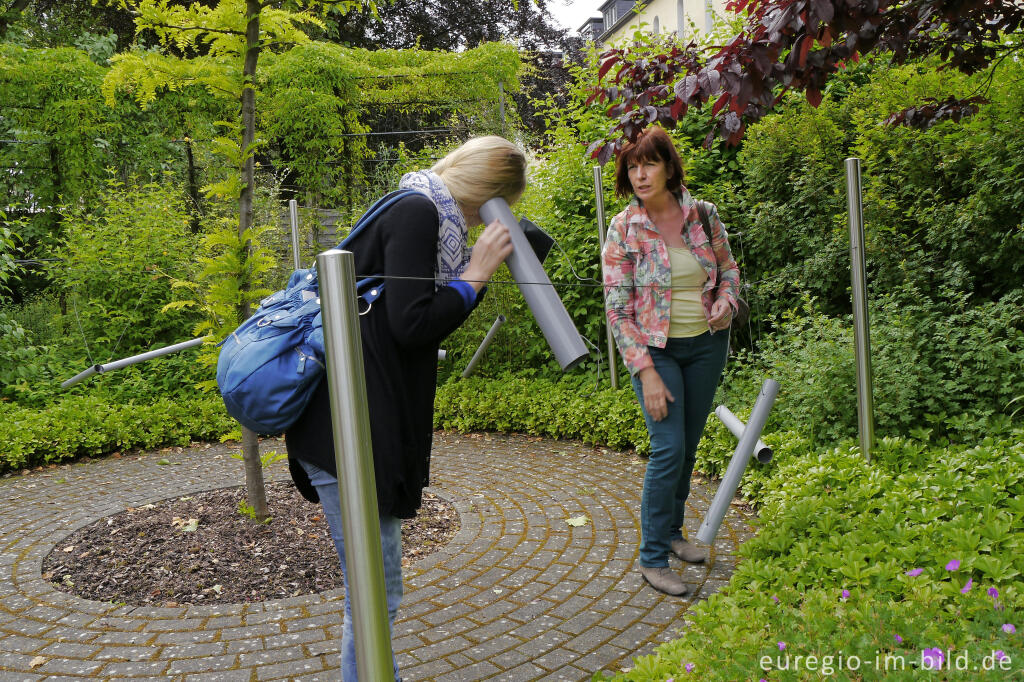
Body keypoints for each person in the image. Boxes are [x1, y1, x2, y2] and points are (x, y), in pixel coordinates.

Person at [285, 136, 526, 680]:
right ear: (488, 195)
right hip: (347, 432)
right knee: (375, 596)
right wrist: (478, 271)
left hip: (360, 427)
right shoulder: (419, 212)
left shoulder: (418, 209)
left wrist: (473, 273)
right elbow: (412, 324)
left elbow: (412, 318)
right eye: (496, 208)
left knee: (374, 593)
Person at [601, 125, 740, 597]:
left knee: (689, 442)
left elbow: (729, 269)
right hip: (653, 351)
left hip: (705, 346)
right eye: (632, 166)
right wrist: (645, 372)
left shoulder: (702, 214)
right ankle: (652, 557)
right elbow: (618, 309)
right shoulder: (624, 227)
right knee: (667, 450)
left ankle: (676, 534)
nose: (640, 175)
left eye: (649, 164)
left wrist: (727, 302)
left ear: (668, 166)